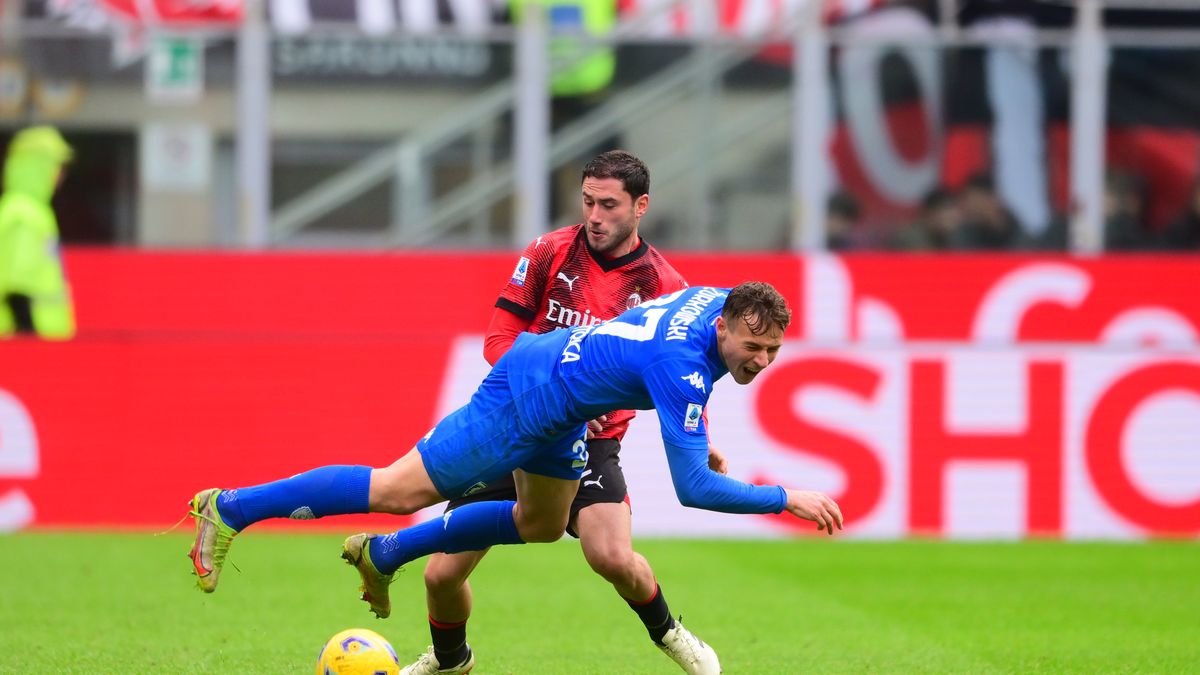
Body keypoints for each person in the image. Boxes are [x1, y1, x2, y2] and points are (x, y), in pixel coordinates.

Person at [187, 282, 843, 672]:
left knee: (541, 523)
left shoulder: (715, 303)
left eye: (772, 351)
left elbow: (676, 389)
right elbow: (692, 487)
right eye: (751, 348)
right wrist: (788, 497)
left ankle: (387, 553)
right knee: (396, 489)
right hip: (527, 398)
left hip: (564, 398)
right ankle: (229, 508)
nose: (759, 361)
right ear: (724, 326)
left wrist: (701, 434)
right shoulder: (684, 363)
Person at [402, 150, 715, 675]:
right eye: (588, 201)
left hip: (594, 439)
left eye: (609, 205)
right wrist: (548, 392)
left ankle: (673, 636)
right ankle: (451, 659)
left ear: (641, 206)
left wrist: (705, 441)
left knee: (612, 557)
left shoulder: (666, 288)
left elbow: (678, 379)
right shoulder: (550, 252)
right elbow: (500, 339)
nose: (594, 215)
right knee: (440, 577)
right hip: (520, 423)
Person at [0, 125, 76, 339]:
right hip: (29, 348)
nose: (61, 175)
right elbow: (17, 286)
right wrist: (29, 338)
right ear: (39, 166)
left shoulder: (24, 210)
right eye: (57, 166)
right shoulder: (24, 213)